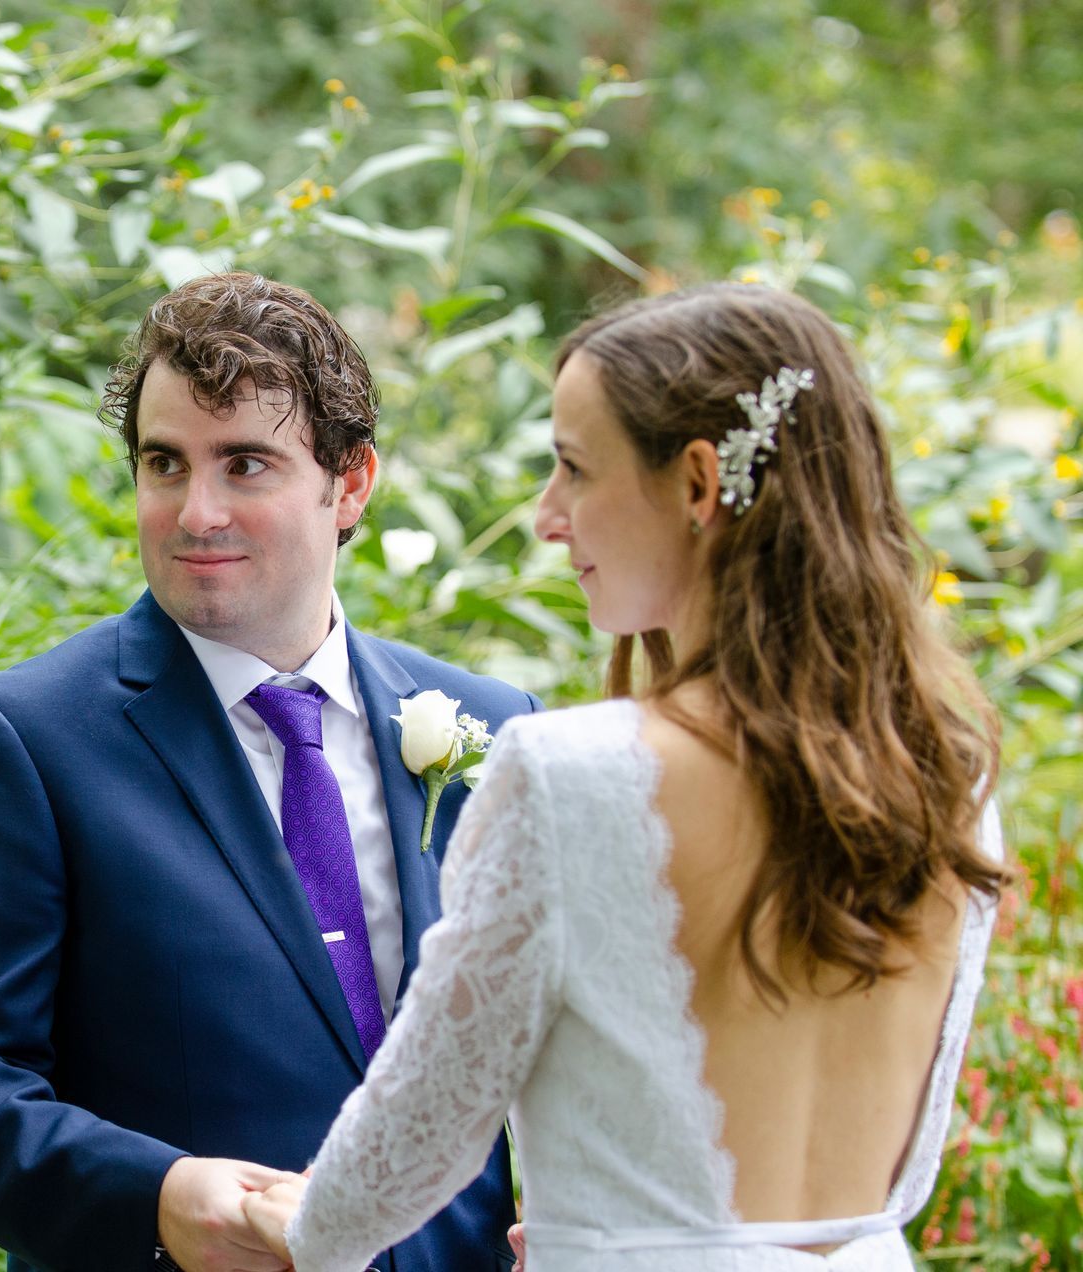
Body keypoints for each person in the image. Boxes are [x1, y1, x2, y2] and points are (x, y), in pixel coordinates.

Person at [241, 283, 1008, 1271]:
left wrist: (300, 1226)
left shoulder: (573, 778)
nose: (548, 516)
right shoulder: (951, 777)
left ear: (697, 484)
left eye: (571, 468)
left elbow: (416, 1136)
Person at [0, 272, 538, 1272]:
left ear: (349, 482)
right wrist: (158, 1198)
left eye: (246, 465)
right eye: (164, 464)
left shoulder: (492, 730)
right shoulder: (20, 741)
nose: (196, 512)